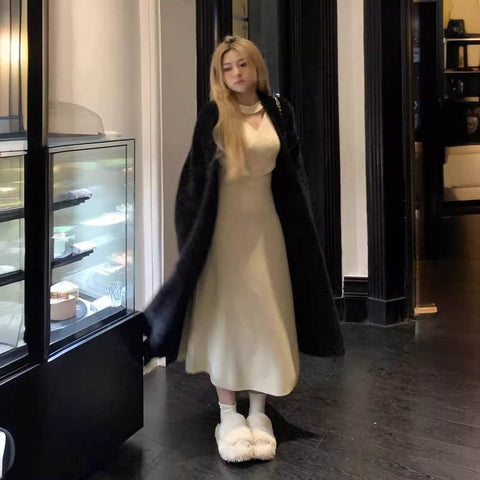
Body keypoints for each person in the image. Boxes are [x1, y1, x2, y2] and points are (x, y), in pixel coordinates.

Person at [144, 35, 344, 463]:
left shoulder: (279, 111)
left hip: (268, 231)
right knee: (227, 322)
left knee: (267, 318)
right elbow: (193, 185)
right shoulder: (214, 116)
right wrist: (190, 245)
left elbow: (295, 177)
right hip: (222, 237)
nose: (236, 73)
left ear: (256, 67)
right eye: (227, 67)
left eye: (242, 64)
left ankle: (258, 412)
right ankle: (228, 413)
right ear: (219, 74)